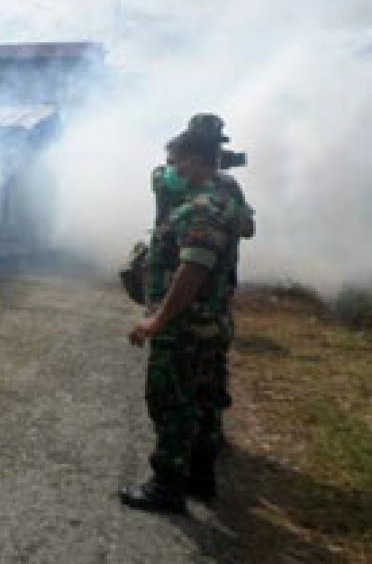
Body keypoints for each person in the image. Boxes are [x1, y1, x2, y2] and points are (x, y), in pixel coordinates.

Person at [121, 128, 243, 513]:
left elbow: (192, 270)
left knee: (171, 401)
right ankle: (199, 477)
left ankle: (167, 486)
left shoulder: (199, 210)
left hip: (184, 326)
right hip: (209, 321)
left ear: (193, 161)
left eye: (173, 163)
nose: (168, 170)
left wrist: (157, 320)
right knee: (205, 399)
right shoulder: (223, 197)